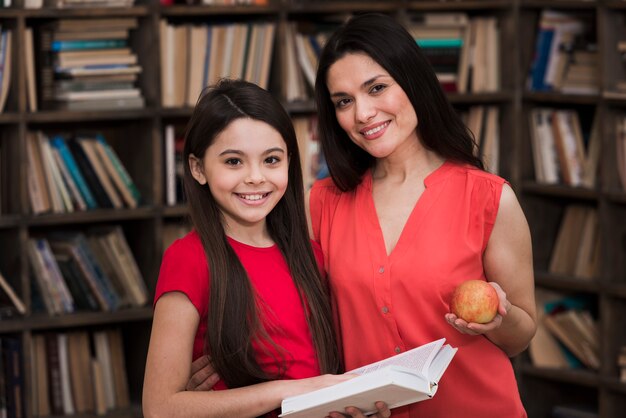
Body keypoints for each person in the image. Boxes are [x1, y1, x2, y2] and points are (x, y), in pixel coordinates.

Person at [308, 13, 537, 418]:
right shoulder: (322, 203)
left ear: (413, 82)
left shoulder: (489, 198)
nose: (363, 114)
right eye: (344, 101)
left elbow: (520, 337)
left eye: (376, 88)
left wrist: (497, 320)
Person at [142, 79, 390, 418]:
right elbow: (160, 408)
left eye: (271, 160)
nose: (256, 177)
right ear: (198, 168)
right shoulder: (189, 259)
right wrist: (288, 391)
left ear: (289, 161)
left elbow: (322, 373)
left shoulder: (311, 256)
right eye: (233, 162)